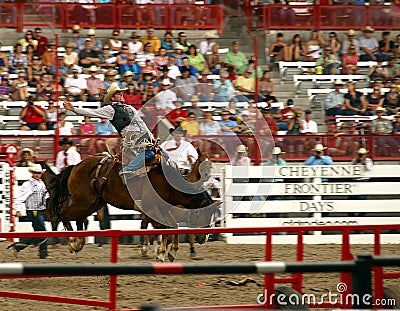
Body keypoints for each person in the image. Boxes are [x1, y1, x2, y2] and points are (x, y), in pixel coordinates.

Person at [64, 83, 155, 182]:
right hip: (130, 139)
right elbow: (92, 113)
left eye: (121, 93)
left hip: (142, 136)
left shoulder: (130, 108)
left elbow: (140, 122)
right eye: (118, 93)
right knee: (150, 153)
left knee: (160, 152)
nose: (121, 95)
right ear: (112, 98)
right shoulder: (110, 109)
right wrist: (74, 109)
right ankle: (127, 170)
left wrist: (150, 135)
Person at [9, 164, 50, 259]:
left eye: (38, 173)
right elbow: (19, 198)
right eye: (35, 173)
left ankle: (20, 245)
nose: (37, 175)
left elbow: (45, 195)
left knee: (39, 232)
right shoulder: (27, 184)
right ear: (32, 173)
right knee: (43, 232)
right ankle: (43, 253)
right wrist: (17, 209)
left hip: (39, 210)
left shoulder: (41, 183)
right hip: (33, 210)